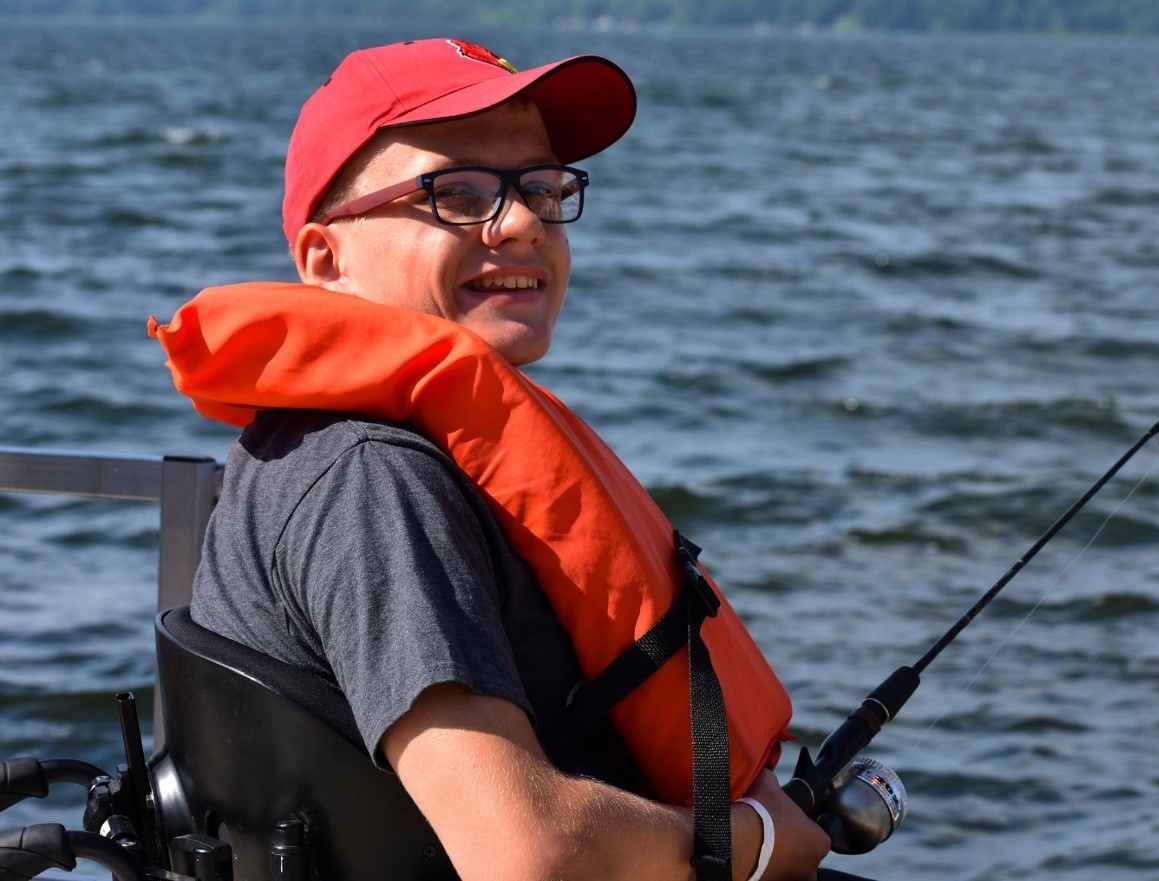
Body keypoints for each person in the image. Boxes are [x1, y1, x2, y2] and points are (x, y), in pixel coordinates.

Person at [152, 37, 866, 881]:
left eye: (543, 188)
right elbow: (523, 854)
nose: (524, 221)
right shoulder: (368, 479)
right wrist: (760, 840)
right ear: (325, 261)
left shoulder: (382, 451)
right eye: (455, 193)